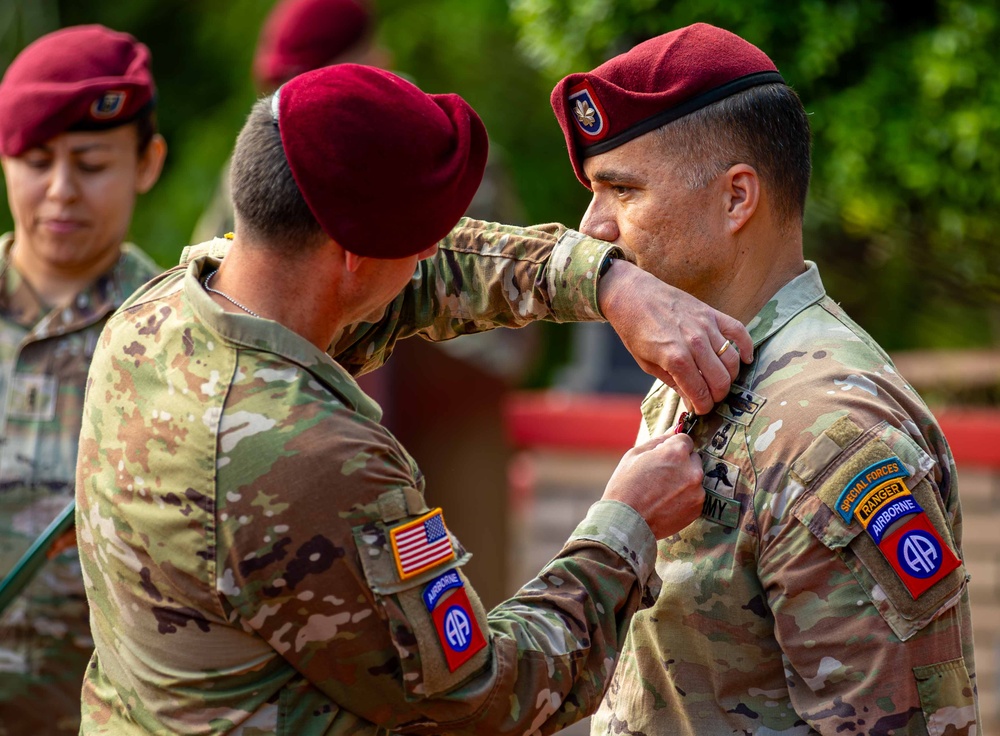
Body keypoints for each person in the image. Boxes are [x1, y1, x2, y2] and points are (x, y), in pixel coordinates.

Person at [75, 63, 752, 734]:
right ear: (353, 257)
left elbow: (418, 273)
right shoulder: (316, 460)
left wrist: (602, 281)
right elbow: (482, 699)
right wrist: (625, 525)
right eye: (417, 240)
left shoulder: (155, 317)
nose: (429, 252)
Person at [544, 22, 979, 734]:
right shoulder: (707, 364)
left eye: (622, 189)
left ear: (737, 198)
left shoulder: (831, 434)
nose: (593, 227)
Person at [0, 24, 167, 734]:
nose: (62, 192)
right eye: (37, 162)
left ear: (147, 162)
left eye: (92, 164)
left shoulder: (179, 335)